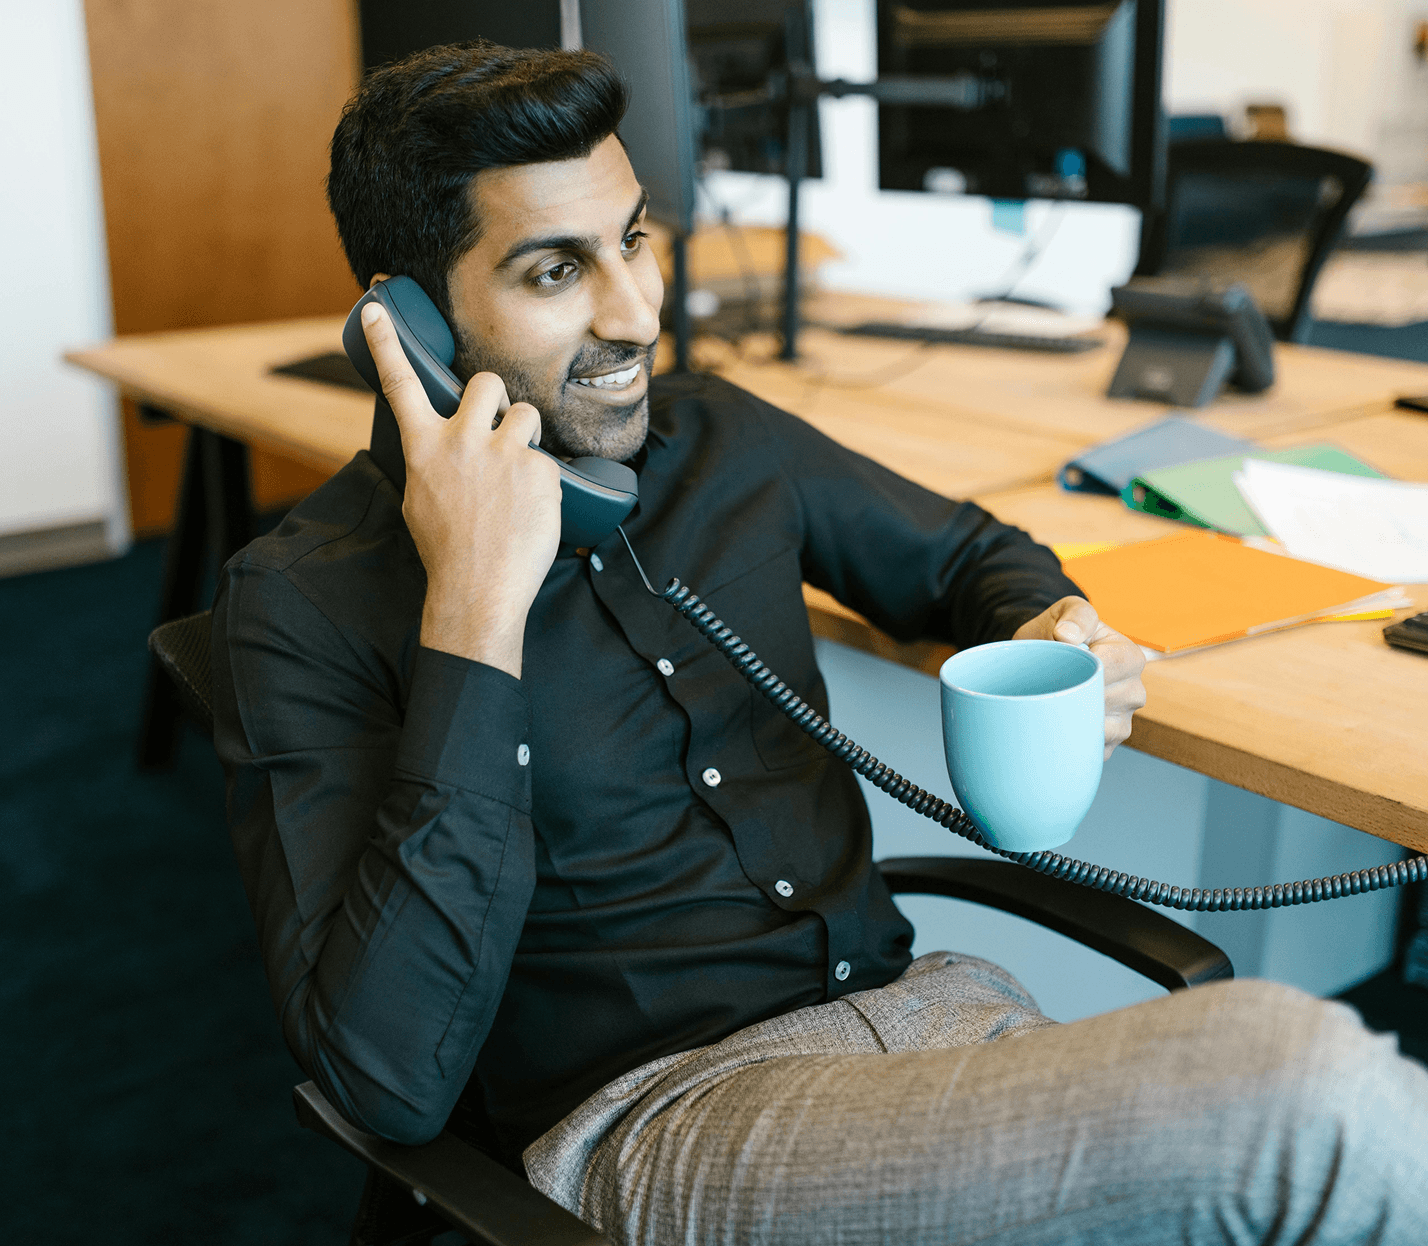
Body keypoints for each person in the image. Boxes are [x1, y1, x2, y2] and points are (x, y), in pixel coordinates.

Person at [211, 40, 1428, 1245]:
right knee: (1298, 1095)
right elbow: (382, 1079)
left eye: (633, 237)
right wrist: (475, 611)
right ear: (405, 327)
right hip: (667, 1120)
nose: (638, 310)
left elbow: (967, 555)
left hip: (935, 1025)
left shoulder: (721, 442)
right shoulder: (300, 605)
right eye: (552, 272)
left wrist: (1053, 630)